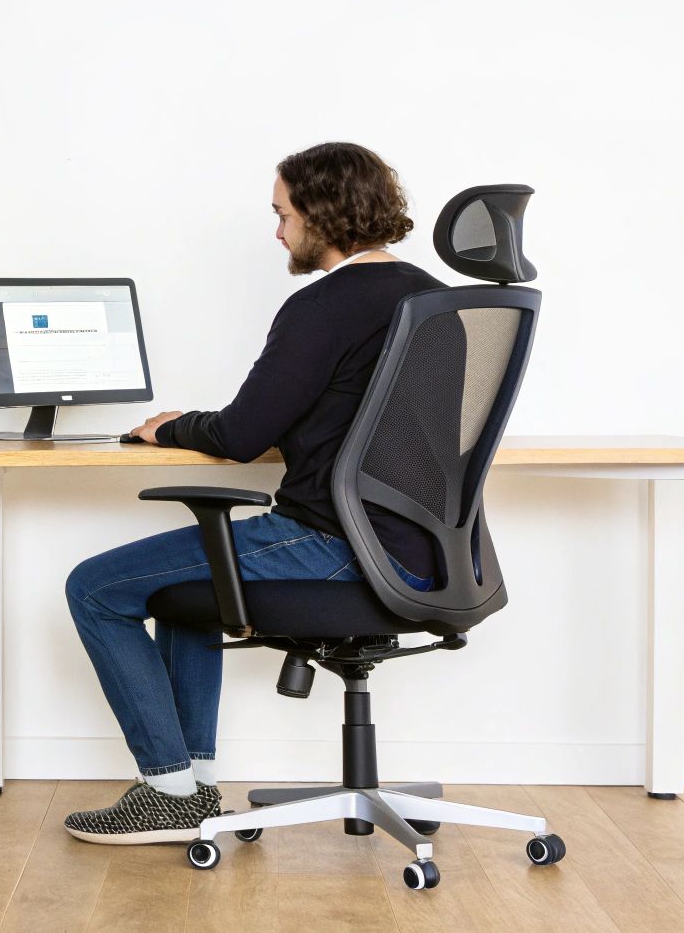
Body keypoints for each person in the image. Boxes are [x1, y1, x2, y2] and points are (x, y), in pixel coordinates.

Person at [61, 142, 444, 845]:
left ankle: (167, 793)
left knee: (93, 588)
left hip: (332, 541)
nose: (277, 232)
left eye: (284, 214)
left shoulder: (324, 305)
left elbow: (240, 434)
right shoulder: (437, 301)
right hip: (421, 554)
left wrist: (172, 425)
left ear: (323, 215)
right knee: (186, 593)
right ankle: (192, 788)